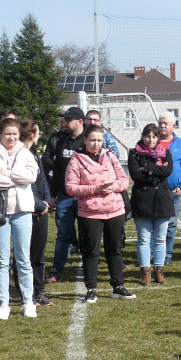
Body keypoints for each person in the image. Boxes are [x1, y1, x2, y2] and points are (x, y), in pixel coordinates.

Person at [64, 123, 134, 302]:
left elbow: (123, 180)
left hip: (115, 211)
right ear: (85, 140)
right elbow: (71, 187)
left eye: (99, 140)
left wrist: (113, 187)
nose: (96, 144)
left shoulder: (110, 156)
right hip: (90, 213)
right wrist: (96, 189)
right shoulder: (77, 159)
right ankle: (91, 288)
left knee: (115, 249)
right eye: (92, 140)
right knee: (91, 251)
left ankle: (118, 286)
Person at [0, 117, 39, 320]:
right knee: (1, 260)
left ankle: (28, 302)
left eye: (15, 134)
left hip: (22, 211)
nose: (11, 138)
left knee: (24, 259)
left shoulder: (26, 153)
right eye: (7, 134)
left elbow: (31, 177)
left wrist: (6, 173)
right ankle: (3, 303)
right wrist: (16, 178)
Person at [44, 107, 86, 283]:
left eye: (69, 120)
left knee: (86, 234)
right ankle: (57, 270)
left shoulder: (88, 139)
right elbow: (57, 172)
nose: (65, 123)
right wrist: (53, 195)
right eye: (65, 119)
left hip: (85, 196)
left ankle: (89, 269)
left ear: (80, 121)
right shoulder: (60, 140)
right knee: (62, 235)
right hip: (65, 196)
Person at [129, 123, 174, 286]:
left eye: (154, 136)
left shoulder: (165, 152)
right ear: (142, 136)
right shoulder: (134, 153)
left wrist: (146, 168)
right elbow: (135, 174)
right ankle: (145, 272)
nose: (151, 139)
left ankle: (159, 271)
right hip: (142, 200)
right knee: (143, 239)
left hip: (162, 200)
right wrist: (156, 170)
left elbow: (168, 171)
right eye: (148, 136)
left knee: (160, 239)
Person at [20, 120, 53, 307]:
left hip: (41, 209)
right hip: (27, 209)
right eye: (38, 133)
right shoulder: (19, 155)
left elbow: (43, 180)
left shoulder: (34, 154)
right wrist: (39, 204)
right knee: (24, 253)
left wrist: (47, 201)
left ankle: (39, 290)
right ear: (32, 135)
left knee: (39, 252)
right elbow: (24, 187)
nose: (39, 136)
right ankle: (26, 293)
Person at [158, 114, 181, 265]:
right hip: (154, 192)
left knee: (171, 224)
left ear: (174, 126)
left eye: (166, 123)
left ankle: (168, 255)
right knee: (155, 224)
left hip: (173, 192)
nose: (162, 126)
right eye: (161, 123)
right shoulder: (152, 142)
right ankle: (155, 253)